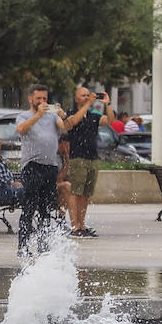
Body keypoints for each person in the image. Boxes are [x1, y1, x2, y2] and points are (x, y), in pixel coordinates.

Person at [14, 84, 68, 256]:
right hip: (32, 166)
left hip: (50, 167)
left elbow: (64, 127)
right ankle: (23, 246)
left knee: (46, 209)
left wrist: (62, 115)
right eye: (39, 98)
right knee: (29, 208)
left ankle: (44, 245)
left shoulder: (51, 116)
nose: (42, 102)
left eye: (45, 98)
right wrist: (38, 115)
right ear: (30, 99)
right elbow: (21, 129)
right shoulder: (24, 116)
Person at [62, 85, 114, 237]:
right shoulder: (71, 114)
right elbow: (74, 122)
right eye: (83, 95)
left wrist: (108, 104)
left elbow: (109, 120)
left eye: (88, 95)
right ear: (76, 98)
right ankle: (74, 226)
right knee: (75, 192)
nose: (86, 97)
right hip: (78, 158)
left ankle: (82, 225)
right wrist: (88, 104)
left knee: (86, 194)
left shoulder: (93, 115)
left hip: (92, 158)